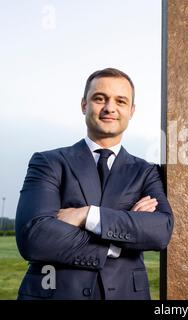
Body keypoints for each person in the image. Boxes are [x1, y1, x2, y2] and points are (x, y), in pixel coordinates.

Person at [15, 68, 173, 300]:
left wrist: (87, 215)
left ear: (131, 111)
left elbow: (160, 231)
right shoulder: (48, 162)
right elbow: (34, 237)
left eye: (120, 101)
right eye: (100, 98)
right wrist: (118, 243)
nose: (110, 108)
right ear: (83, 105)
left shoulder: (146, 171)